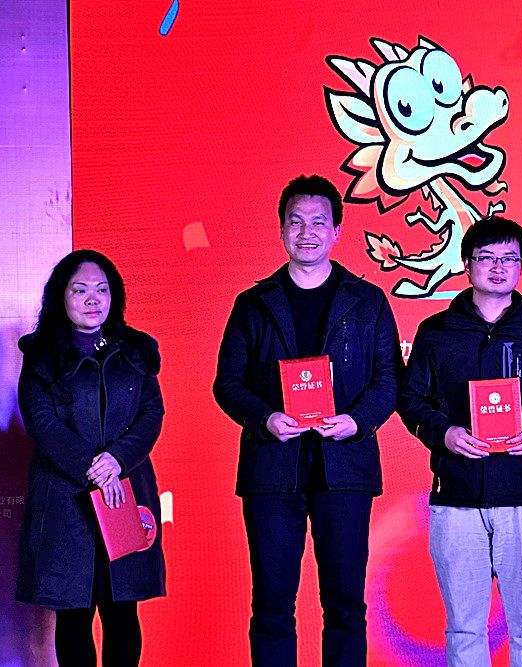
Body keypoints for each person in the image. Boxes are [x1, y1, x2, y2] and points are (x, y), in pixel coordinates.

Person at [213, 174, 401, 667]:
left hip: (345, 467)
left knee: (345, 604)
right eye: (295, 222)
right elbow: (227, 383)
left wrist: (356, 421)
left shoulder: (368, 301)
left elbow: (389, 380)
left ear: (337, 230)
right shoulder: (253, 304)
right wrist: (265, 418)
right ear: (281, 230)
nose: (307, 232)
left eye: (318, 222)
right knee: (272, 604)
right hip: (273, 469)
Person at [397, 216, 522, 666]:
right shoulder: (436, 332)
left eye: (509, 258)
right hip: (456, 495)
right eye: (486, 257)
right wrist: (445, 433)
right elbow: (410, 398)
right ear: (466, 264)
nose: (498, 267)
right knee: (464, 626)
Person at [16, 249, 166, 667]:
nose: (92, 299)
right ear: (60, 297)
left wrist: (117, 460)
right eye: (80, 290)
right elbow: (42, 422)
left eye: (102, 289)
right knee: (74, 613)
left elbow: (152, 414)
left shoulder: (137, 350)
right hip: (66, 497)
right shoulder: (41, 354)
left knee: (123, 610)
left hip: (124, 490)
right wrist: (94, 467)